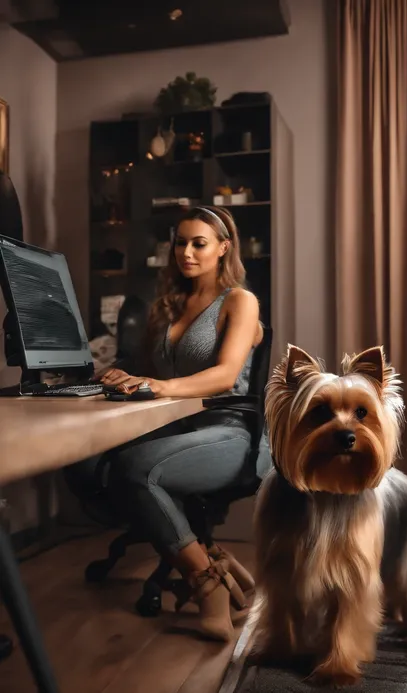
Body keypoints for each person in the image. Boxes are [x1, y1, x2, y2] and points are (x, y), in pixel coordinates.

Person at [68, 206, 272, 643]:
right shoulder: (169, 305)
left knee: (135, 470)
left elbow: (224, 375)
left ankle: (206, 584)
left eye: (200, 243)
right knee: (85, 465)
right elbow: (144, 365)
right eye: (180, 242)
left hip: (230, 430)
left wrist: (161, 386)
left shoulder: (240, 300)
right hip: (176, 430)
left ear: (223, 247)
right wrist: (120, 372)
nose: (187, 252)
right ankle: (207, 550)